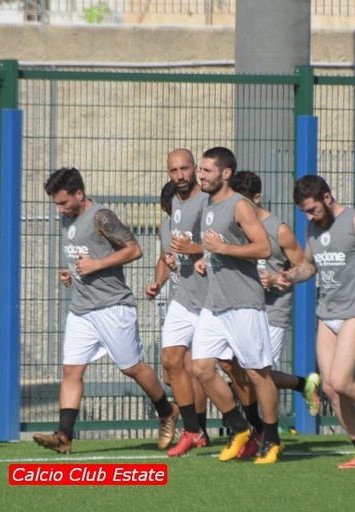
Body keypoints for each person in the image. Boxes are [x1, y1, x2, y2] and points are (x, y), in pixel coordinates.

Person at [34, 167, 178, 453]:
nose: (60, 209)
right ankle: (64, 436)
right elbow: (85, 257)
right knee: (71, 371)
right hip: (82, 310)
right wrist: (71, 273)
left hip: (113, 307)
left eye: (63, 202)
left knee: (131, 368)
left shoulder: (101, 216)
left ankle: (167, 411)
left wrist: (96, 266)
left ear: (79, 194)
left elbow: (134, 250)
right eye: (56, 204)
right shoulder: (69, 218)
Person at [275, 174, 355, 469]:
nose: (308, 216)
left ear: (327, 198)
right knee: (332, 389)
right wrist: (290, 277)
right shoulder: (312, 226)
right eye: (304, 212)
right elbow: (309, 265)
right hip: (328, 313)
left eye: (312, 210)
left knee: (341, 381)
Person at [191, 147, 282, 464]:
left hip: (243, 302)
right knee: (200, 367)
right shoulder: (207, 204)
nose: (200, 175)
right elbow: (215, 246)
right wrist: (207, 257)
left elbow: (264, 248)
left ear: (225, 173)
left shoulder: (241, 206)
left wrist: (223, 248)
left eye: (206, 170)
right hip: (215, 303)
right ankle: (240, 427)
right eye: (200, 170)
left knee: (259, 374)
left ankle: (272, 438)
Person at [227, 170, 321, 458]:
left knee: (258, 373)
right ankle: (302, 384)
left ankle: (265, 436)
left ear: (257, 198)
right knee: (237, 369)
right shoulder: (234, 223)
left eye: (246, 202)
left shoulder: (278, 229)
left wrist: (283, 277)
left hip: (272, 310)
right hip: (243, 307)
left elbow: (306, 266)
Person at [145, 149, 212, 456]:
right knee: (174, 365)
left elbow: (221, 245)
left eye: (185, 169)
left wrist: (194, 250)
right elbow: (165, 256)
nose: (180, 175)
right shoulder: (169, 218)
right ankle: (195, 430)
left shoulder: (209, 203)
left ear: (195, 168)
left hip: (211, 299)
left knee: (223, 369)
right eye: (174, 170)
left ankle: (250, 425)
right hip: (182, 298)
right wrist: (158, 282)